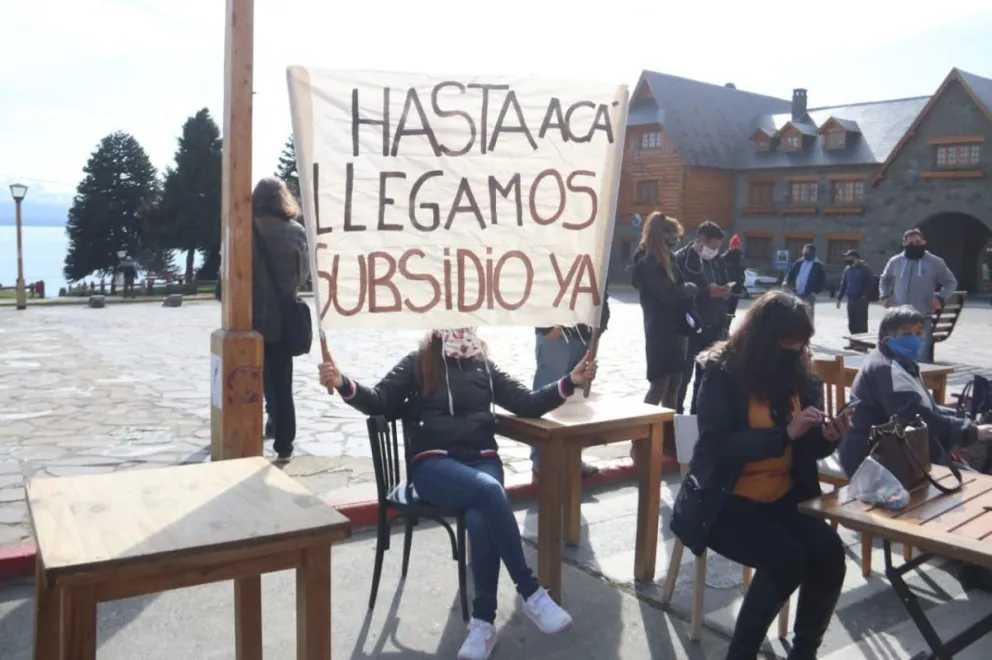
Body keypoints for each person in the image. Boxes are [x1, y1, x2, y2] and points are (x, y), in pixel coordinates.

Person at [317, 328, 596, 660]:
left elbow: (526, 402)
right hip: (434, 464)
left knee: (481, 518)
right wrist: (340, 381)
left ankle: (483, 625)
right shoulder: (419, 362)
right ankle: (530, 591)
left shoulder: (483, 365)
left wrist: (571, 380)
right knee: (491, 492)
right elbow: (379, 400)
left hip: (481, 460)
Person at [671, 291, 849, 660]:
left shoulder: (800, 371)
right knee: (787, 558)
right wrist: (784, 434)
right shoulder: (722, 371)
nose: (796, 349)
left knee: (830, 551)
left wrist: (827, 437)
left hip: (783, 495)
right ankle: (742, 653)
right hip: (724, 501)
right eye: (788, 342)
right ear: (763, 339)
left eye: (802, 342)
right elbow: (717, 447)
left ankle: (805, 652)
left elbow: (806, 448)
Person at [838, 305, 992, 478]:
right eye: (906, 333)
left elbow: (928, 409)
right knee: (978, 484)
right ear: (888, 338)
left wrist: (966, 423)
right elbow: (916, 419)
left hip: (902, 451)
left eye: (918, 333)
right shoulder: (886, 369)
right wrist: (970, 431)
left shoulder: (902, 363)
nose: (914, 339)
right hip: (874, 461)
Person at [252, 177, 309, 460]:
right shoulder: (296, 231)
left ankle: (247, 437)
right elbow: (303, 275)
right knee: (282, 383)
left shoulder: (245, 228)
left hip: (249, 320)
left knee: (249, 380)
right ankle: (284, 444)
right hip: (283, 320)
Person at [531, 290, 610, 478]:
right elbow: (540, 279)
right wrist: (546, 326)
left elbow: (601, 287)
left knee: (576, 402)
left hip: (585, 332)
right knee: (547, 396)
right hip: (557, 331)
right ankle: (543, 461)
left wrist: (601, 325)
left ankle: (572, 457)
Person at [631, 211, 698, 411]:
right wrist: (688, 289)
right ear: (661, 234)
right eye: (671, 234)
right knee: (660, 385)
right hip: (661, 330)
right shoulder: (648, 261)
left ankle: (667, 435)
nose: (674, 238)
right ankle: (641, 436)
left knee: (674, 385)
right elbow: (666, 293)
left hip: (677, 328)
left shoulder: (668, 257)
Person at [674, 221, 731, 414]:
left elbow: (723, 280)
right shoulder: (681, 259)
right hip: (689, 328)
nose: (714, 251)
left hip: (714, 326)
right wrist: (707, 293)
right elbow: (678, 292)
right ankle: (675, 419)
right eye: (712, 246)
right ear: (701, 240)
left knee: (707, 378)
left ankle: (698, 416)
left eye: (717, 247)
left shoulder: (717, 261)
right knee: (682, 378)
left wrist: (725, 292)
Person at [879, 229, 957, 362]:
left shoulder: (935, 262)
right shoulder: (895, 261)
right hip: (898, 318)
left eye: (917, 242)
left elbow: (951, 282)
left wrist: (940, 298)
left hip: (922, 317)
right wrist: (885, 295)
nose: (914, 245)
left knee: (921, 357)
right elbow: (884, 279)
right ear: (904, 243)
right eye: (910, 242)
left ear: (924, 242)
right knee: (895, 356)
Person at [835, 249, 874, 337]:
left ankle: (862, 344)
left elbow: (870, 283)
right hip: (850, 299)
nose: (847, 259)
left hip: (861, 300)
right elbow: (843, 284)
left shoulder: (864, 269)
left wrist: (864, 295)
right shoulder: (847, 269)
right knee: (851, 322)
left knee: (861, 322)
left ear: (856, 258)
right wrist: (839, 298)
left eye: (849, 257)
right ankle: (853, 342)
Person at [785, 244, 825, 320]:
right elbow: (790, 273)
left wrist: (815, 292)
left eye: (806, 250)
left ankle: (809, 330)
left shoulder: (817, 265)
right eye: (804, 250)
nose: (804, 252)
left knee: (808, 313)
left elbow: (821, 281)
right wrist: (786, 281)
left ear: (812, 252)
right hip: (796, 292)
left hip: (809, 294)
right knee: (795, 312)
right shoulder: (798, 263)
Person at [721, 234, 747, 338]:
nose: (737, 248)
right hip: (726, 291)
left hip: (737, 291)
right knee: (724, 311)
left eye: (738, 246)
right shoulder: (724, 258)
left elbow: (742, 272)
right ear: (730, 246)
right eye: (735, 246)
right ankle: (723, 330)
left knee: (731, 312)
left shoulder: (740, 259)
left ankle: (727, 328)